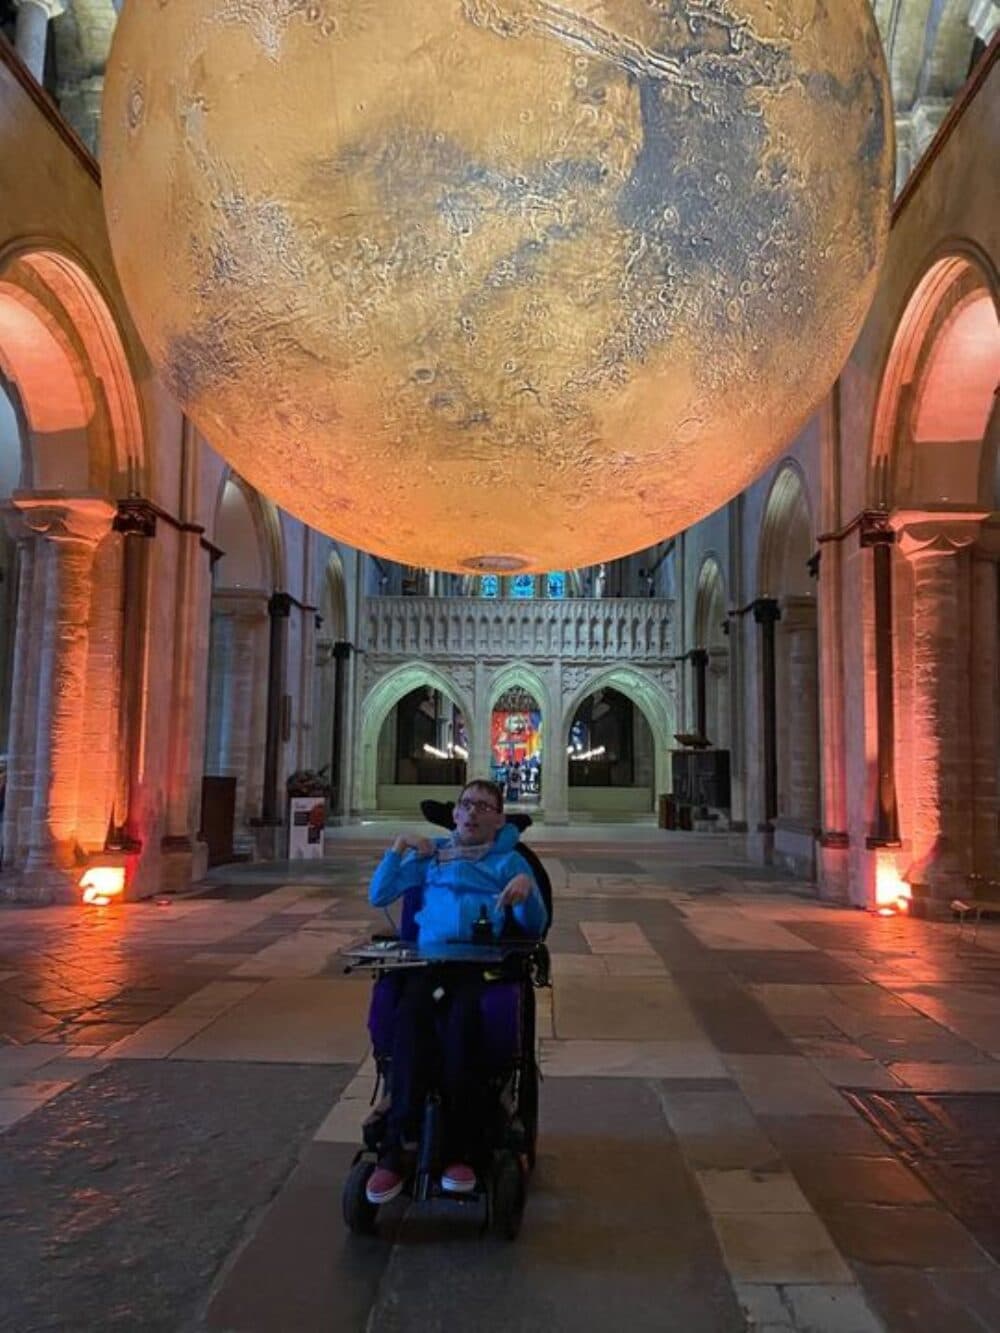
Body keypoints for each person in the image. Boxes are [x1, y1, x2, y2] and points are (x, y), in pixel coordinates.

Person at [365, 779, 546, 1205]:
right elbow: (379, 895)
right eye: (466, 804)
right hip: (428, 964)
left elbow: (534, 926)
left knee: (463, 1026)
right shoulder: (434, 856)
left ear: (499, 819)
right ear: (455, 814)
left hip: (478, 967)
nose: (472, 813)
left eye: (484, 806)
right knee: (410, 1023)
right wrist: (398, 849)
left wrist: (525, 894)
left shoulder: (510, 862)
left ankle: (460, 1150)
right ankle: (394, 1151)